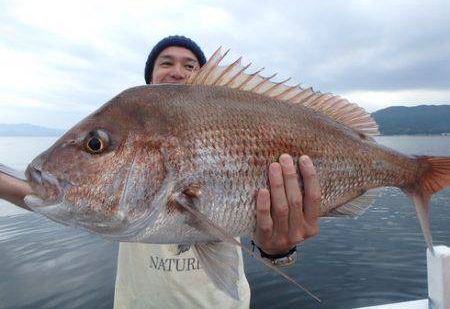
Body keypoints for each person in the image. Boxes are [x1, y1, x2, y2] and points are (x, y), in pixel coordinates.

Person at [0, 36, 322, 309]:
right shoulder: (115, 191)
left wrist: (277, 250)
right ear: (150, 81)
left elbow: (269, 243)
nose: (178, 71)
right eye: (166, 63)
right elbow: (47, 195)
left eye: (190, 65)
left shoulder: (238, 120)